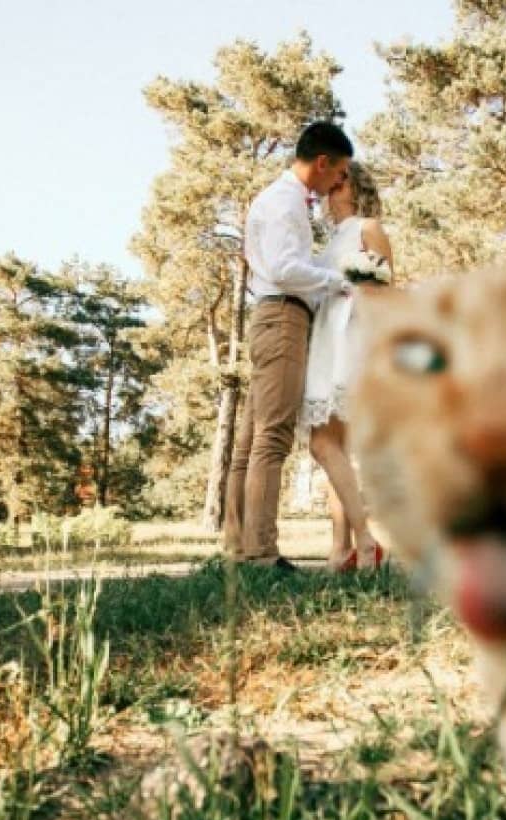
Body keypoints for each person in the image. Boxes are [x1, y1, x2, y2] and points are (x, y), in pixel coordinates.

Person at [223, 121, 353, 571]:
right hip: (282, 316)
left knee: (251, 439)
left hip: (272, 315)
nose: (340, 183)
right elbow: (282, 268)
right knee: (272, 437)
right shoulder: (284, 202)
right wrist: (338, 280)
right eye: (340, 173)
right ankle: (260, 553)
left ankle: (237, 546)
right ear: (323, 162)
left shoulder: (285, 200)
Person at [299, 161, 394, 571]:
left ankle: (366, 540)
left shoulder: (367, 227)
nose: (332, 189)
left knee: (323, 445)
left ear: (356, 189)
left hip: (351, 340)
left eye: (342, 182)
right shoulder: (329, 241)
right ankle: (340, 551)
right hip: (325, 338)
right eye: (332, 182)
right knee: (333, 448)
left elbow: (385, 291)